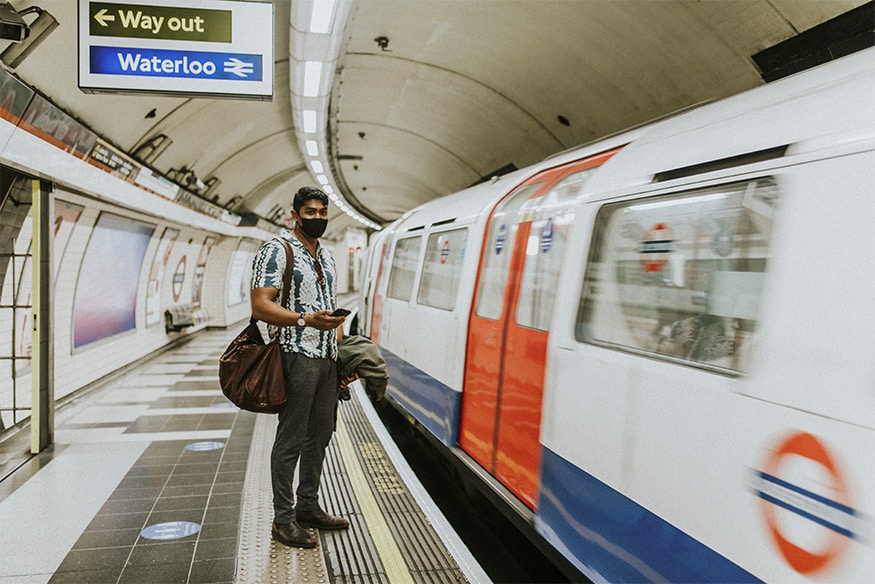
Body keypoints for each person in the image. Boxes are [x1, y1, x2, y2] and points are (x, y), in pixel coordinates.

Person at [250, 186, 354, 548]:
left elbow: (332, 307)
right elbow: (261, 306)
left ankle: (308, 506)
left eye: (322, 212)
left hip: (326, 360)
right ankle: (283, 519)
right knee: (291, 439)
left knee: (321, 435)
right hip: (295, 354)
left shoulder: (327, 258)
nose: (318, 218)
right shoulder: (275, 251)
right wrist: (303, 320)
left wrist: (342, 361)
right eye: (310, 213)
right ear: (294, 215)